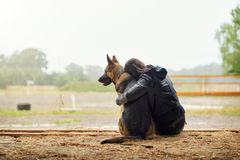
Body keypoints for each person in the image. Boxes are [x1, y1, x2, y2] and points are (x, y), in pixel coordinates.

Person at [116, 58, 186, 135]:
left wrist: (119, 99)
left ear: (133, 72)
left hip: (168, 126)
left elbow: (130, 95)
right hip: (180, 121)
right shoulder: (159, 72)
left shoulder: (147, 79)